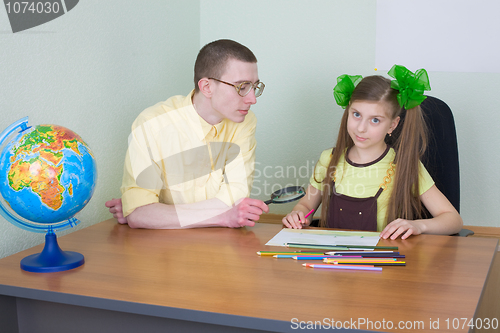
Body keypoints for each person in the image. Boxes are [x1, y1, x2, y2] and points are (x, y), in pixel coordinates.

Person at [282, 65, 463, 239]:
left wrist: (418, 225)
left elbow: (453, 220)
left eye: (375, 120)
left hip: (379, 263)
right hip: (330, 262)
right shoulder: (328, 159)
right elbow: (306, 205)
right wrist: (298, 214)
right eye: (357, 114)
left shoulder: (405, 166)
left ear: (392, 125)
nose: (361, 128)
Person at [106, 39, 269, 229]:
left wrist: (158, 212)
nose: (252, 99)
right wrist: (223, 217)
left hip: (221, 246)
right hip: (161, 250)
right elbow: (139, 214)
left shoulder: (244, 121)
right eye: (242, 87)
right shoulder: (152, 124)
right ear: (207, 87)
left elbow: (234, 200)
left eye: (254, 87)